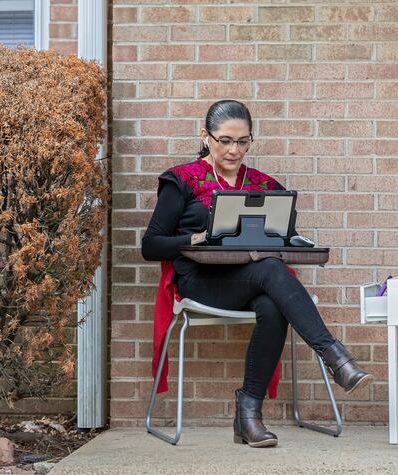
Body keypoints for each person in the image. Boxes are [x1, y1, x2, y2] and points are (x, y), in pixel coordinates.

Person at [141, 100, 373, 448]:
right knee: (270, 270)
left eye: (243, 141)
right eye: (225, 140)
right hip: (201, 283)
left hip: (253, 282)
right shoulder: (182, 181)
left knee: (272, 301)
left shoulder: (266, 186)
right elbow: (151, 245)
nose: (234, 150)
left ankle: (249, 414)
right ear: (205, 136)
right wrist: (196, 238)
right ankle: (334, 357)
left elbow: (281, 238)